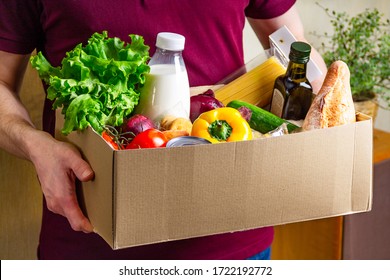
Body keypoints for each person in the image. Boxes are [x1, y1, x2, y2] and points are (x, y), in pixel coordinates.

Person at [0, 0, 327, 260]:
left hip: (231, 243)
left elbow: (298, 54)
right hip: (91, 242)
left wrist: (321, 116)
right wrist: (34, 144)